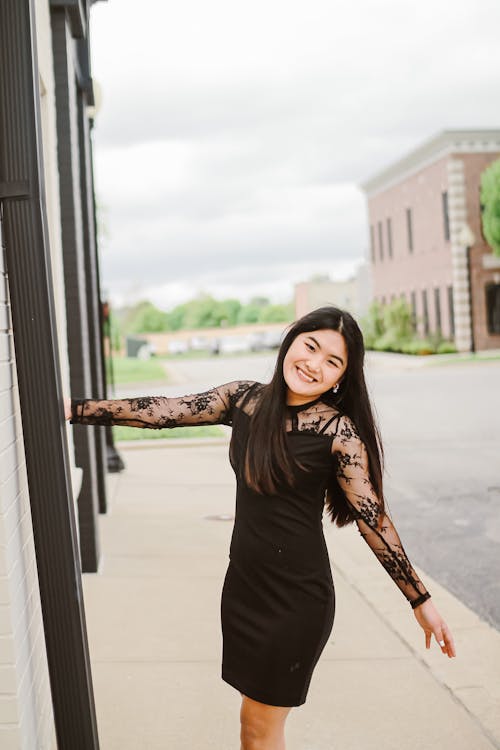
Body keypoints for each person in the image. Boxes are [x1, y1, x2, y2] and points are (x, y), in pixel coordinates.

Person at [65, 306, 456, 750]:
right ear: (291, 340)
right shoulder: (244, 399)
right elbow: (164, 411)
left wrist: (419, 600)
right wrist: (73, 410)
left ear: (341, 378)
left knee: (258, 727)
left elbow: (373, 519)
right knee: (250, 726)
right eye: (311, 346)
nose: (314, 364)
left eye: (333, 361)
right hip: (245, 587)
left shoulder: (338, 432)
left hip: (296, 600)